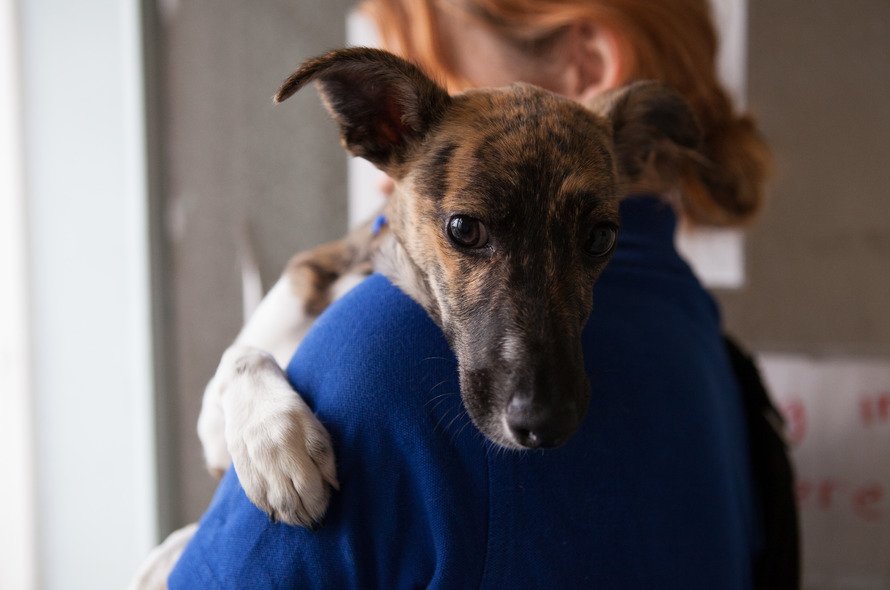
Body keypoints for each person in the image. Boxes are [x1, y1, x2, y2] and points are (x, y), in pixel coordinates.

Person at [169, 1, 779, 588]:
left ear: (589, 67)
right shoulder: (696, 324)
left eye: (427, 50)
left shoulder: (385, 354)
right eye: (467, 230)